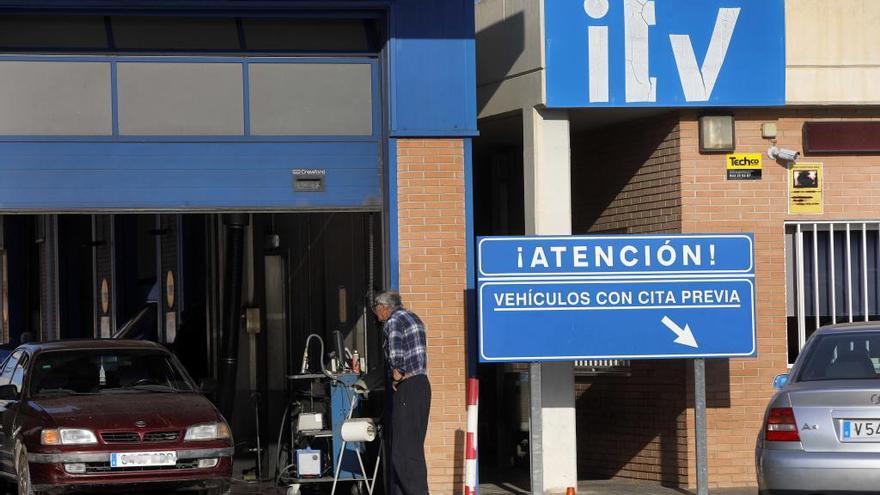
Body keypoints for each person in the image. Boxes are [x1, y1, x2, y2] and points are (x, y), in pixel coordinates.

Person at [372, 290, 431, 495]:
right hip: (422, 385)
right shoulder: (414, 317)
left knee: (403, 453)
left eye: (375, 308)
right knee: (411, 447)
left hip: (408, 387)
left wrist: (396, 374)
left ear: (384, 307)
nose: (375, 314)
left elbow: (397, 358)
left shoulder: (393, 321)